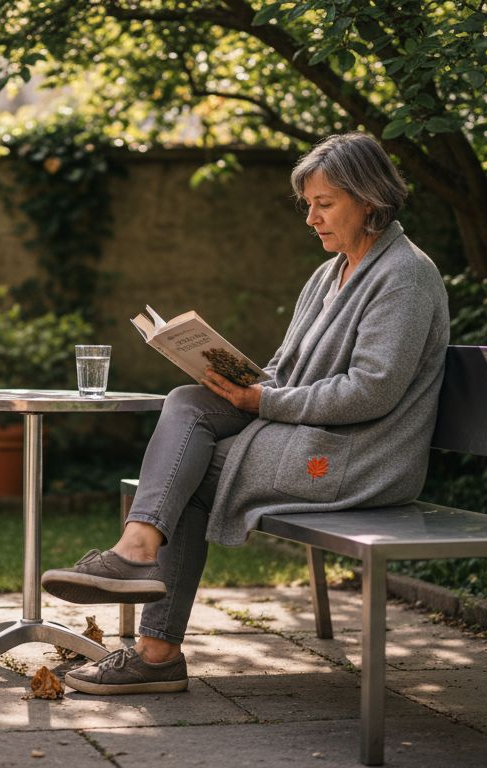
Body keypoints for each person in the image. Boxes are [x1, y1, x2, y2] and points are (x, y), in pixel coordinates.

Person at [41, 131, 451, 695]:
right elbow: (286, 368)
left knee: (192, 474)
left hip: (354, 459)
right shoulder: (330, 274)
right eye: (307, 204)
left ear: (370, 199)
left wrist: (262, 400)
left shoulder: (405, 276)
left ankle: (154, 644)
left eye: (324, 204)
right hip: (307, 436)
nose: (310, 218)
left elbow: (370, 392)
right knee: (187, 401)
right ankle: (138, 561)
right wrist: (238, 378)